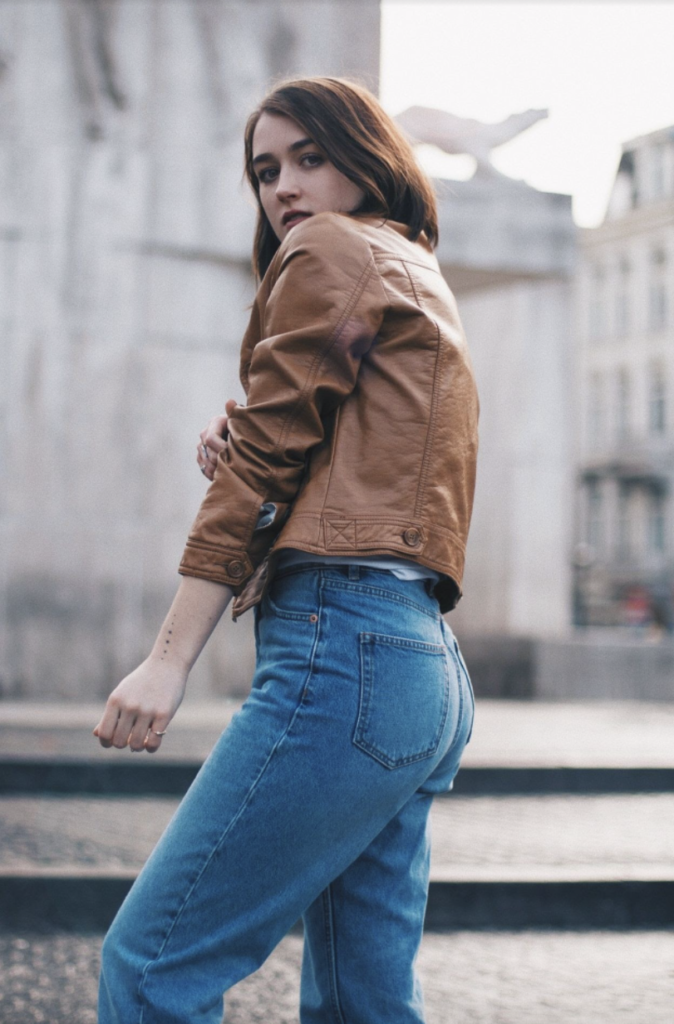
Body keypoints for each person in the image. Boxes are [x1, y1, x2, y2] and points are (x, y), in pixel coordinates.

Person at [95, 76, 479, 1024]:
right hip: (419, 664)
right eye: (266, 170)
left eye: (309, 156)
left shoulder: (326, 245)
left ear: (369, 154)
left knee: (150, 968)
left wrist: (168, 658)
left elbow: (264, 460)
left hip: (345, 648)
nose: (283, 188)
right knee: (363, 1000)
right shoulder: (412, 267)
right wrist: (263, 458)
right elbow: (362, 460)